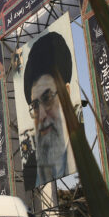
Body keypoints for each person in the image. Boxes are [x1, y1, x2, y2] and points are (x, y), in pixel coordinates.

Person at [22, 31, 73, 187]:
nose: (42, 115)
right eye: (35, 106)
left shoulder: (84, 151)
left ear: (66, 93)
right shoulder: (31, 169)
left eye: (47, 98)